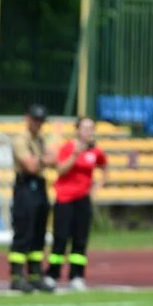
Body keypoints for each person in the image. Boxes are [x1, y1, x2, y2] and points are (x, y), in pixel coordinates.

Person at [45, 117, 107, 291]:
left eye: (91, 128)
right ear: (77, 130)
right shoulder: (68, 147)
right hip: (65, 199)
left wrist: (96, 188)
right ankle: (52, 275)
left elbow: (104, 167)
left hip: (83, 199)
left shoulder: (95, 152)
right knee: (61, 238)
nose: (88, 132)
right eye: (85, 128)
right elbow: (61, 169)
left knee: (80, 240)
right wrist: (75, 154)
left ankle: (77, 276)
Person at [7, 103, 56, 294]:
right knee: (24, 232)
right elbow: (30, 166)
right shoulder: (21, 139)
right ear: (27, 118)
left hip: (40, 187)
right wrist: (45, 159)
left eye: (41, 120)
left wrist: (43, 160)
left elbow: (54, 161)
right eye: (36, 119)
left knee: (39, 233)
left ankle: (35, 275)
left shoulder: (41, 140)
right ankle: (17, 276)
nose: (39, 124)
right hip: (25, 187)